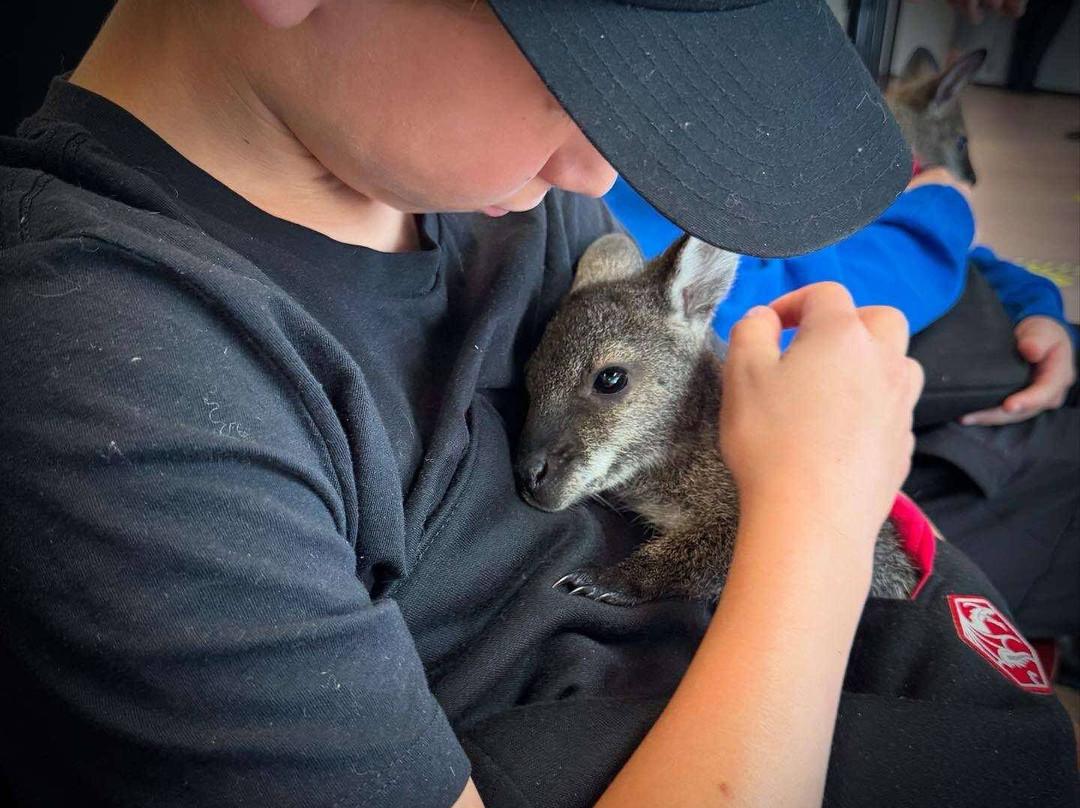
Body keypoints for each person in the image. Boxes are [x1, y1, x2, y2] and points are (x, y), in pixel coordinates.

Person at [0, 1, 1075, 807]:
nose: (598, 163)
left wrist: (1013, 302)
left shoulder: (503, 201)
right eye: (575, 82)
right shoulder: (112, 376)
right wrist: (818, 525)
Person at [606, 158, 1080, 641]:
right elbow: (797, 298)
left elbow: (961, 257)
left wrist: (1034, 307)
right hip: (796, 431)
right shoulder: (613, 196)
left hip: (925, 361)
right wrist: (941, 207)